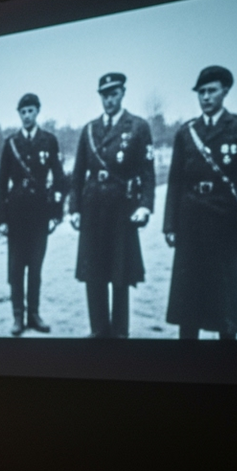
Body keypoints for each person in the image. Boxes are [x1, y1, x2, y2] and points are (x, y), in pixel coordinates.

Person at [163, 66, 237, 339]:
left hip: (226, 225)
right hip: (190, 224)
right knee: (189, 299)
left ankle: (225, 362)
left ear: (225, 92)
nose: (206, 97)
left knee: (225, 301)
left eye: (212, 91)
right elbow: (175, 182)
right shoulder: (187, 132)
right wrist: (170, 225)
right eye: (202, 92)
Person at [69, 73, 155, 338]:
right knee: (93, 273)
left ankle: (120, 333)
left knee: (120, 272)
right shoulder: (89, 130)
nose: (109, 99)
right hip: (93, 209)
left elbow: (148, 172)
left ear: (122, 93)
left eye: (114, 94)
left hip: (122, 209)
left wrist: (145, 205)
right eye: (104, 95)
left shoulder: (138, 127)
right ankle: (98, 330)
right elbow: (78, 172)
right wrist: (74, 208)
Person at [0, 93, 66, 336]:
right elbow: (2, 184)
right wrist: (2, 219)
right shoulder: (11, 143)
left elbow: (59, 178)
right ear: (19, 114)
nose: (27, 116)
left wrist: (57, 213)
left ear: (37, 112)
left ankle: (34, 314)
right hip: (15, 214)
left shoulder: (49, 141)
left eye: (30, 111)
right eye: (23, 112)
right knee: (16, 267)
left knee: (35, 266)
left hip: (39, 213)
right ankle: (18, 316)